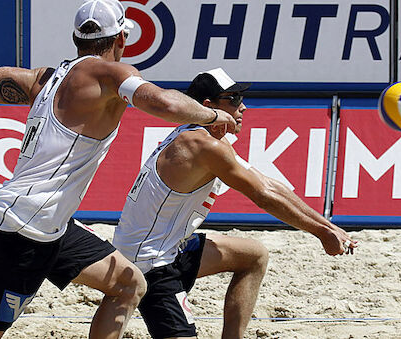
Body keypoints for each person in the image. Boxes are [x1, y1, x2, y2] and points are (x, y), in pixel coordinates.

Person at [0, 0, 237, 338]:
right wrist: (212, 115)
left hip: (54, 227)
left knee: (129, 284)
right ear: (122, 38)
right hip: (21, 231)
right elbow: (165, 103)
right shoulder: (109, 74)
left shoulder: (45, 79)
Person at [112, 68, 358, 339]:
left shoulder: (205, 136)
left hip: (169, 247)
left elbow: (269, 184)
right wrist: (321, 233)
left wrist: (328, 226)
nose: (243, 106)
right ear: (208, 106)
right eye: (233, 98)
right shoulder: (201, 145)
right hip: (149, 263)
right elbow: (262, 195)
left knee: (253, 256)